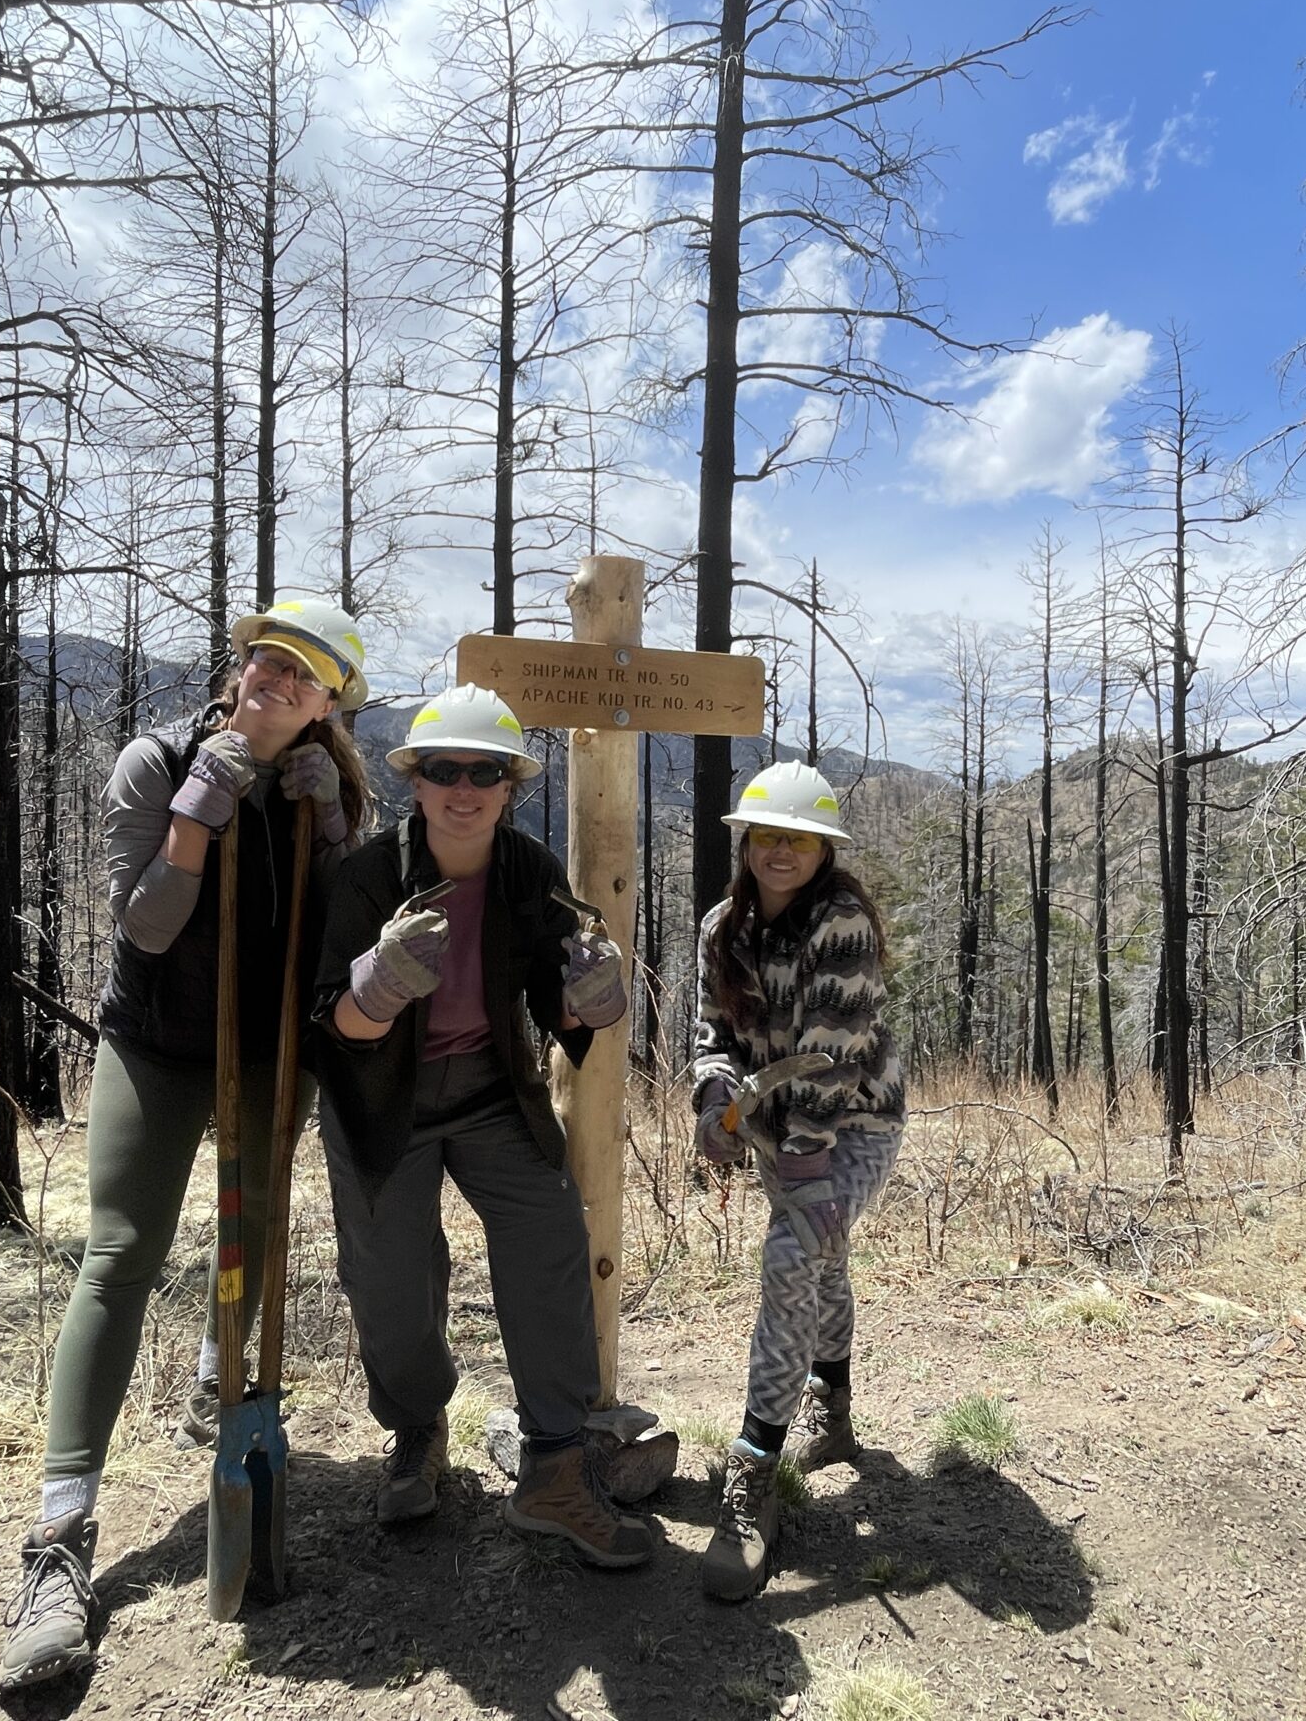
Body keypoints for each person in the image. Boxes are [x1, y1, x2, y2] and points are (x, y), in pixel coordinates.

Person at [0, 596, 372, 1694]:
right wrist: (200, 816)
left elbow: (345, 929)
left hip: (268, 1050)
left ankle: (232, 1398)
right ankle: (59, 1536)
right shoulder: (156, 761)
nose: (278, 681)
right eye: (268, 660)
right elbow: (146, 927)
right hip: (158, 1042)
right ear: (239, 664)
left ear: (326, 707)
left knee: (252, 1232)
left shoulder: (330, 784)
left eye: (305, 678)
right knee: (119, 1255)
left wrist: (341, 833)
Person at [312, 683, 673, 1568]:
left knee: (549, 1237)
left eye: (485, 771)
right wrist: (378, 986)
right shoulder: (365, 879)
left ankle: (553, 1465)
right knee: (390, 1284)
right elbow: (332, 1024)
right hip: (379, 1098)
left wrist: (595, 1002)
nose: (464, 787)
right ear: (417, 781)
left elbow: (565, 1012)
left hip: (488, 1093)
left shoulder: (527, 872)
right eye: (444, 769)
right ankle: (417, 1428)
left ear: (510, 784)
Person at [689, 761, 905, 1601]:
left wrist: (809, 1158)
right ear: (747, 842)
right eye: (766, 836)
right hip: (780, 1130)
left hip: (852, 1127)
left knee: (791, 1262)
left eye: (798, 838)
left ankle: (752, 1476)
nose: (779, 851)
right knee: (825, 1263)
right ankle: (835, 1404)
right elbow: (712, 1032)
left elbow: (836, 1051)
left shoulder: (842, 921)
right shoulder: (721, 928)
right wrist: (713, 1098)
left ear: (823, 850)